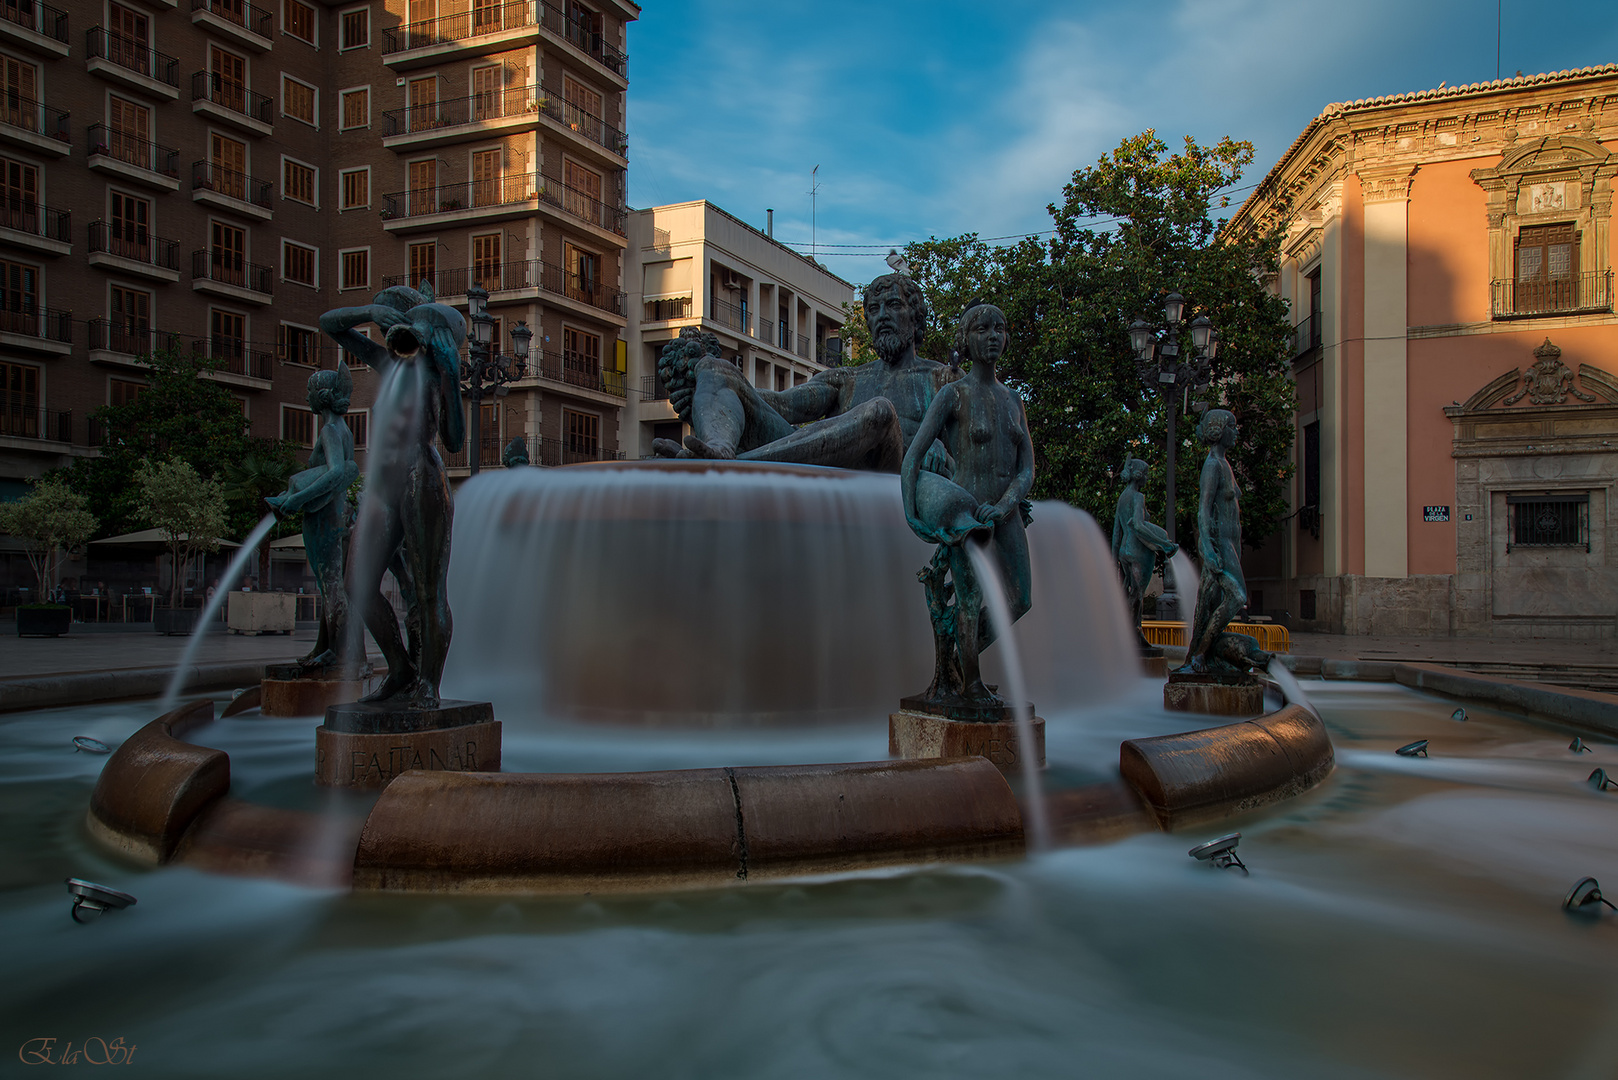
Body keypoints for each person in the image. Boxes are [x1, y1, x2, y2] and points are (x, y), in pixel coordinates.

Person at [320, 283, 465, 708]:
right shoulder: (388, 361)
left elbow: (454, 441)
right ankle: (400, 669)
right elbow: (331, 325)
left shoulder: (438, 372)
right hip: (382, 484)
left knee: (427, 591)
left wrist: (452, 375)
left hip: (422, 479)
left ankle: (428, 685)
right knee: (357, 585)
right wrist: (370, 311)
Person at [653, 272, 960, 471]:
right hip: (829, 470)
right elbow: (780, 405)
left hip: (887, 473)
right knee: (717, 369)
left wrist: (940, 450)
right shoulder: (847, 378)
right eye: (874, 310)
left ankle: (739, 466)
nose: (882, 316)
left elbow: (973, 462)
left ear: (917, 318)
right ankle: (720, 451)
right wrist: (704, 395)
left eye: (893, 305)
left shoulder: (943, 379)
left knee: (880, 412)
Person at [899, 302, 1035, 704]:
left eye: (999, 328)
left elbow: (1026, 469)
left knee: (1020, 600)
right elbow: (913, 457)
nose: (993, 336)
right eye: (982, 329)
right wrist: (913, 514)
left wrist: (1008, 503)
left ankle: (957, 659)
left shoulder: (1013, 400)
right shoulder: (952, 395)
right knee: (970, 600)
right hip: (964, 513)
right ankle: (971, 685)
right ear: (966, 339)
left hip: (1004, 512)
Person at [266, 362, 361, 673]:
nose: (306, 398)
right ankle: (326, 647)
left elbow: (336, 472)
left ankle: (341, 653)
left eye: (308, 392)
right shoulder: (344, 431)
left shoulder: (330, 430)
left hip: (323, 516)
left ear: (320, 397)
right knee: (330, 585)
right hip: (334, 513)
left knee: (331, 585)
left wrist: (295, 499)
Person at [1176, 409, 1248, 674]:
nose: (1236, 431)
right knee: (1237, 598)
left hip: (1231, 543)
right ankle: (1201, 654)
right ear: (1219, 431)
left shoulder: (1225, 464)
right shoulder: (1212, 466)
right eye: (1233, 426)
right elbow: (1203, 510)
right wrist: (1207, 548)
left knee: (1213, 602)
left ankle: (1206, 655)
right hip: (1219, 544)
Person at [1111, 458, 1178, 649]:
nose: (1148, 478)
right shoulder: (1138, 497)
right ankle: (1133, 634)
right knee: (1137, 595)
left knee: (1129, 592)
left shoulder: (1123, 497)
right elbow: (1139, 526)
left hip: (1125, 550)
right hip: (1139, 550)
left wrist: (1114, 558)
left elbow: (1117, 532)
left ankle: (1124, 634)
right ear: (1139, 475)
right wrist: (1164, 544)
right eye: (1147, 474)